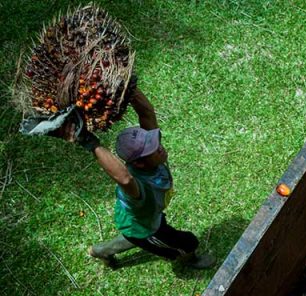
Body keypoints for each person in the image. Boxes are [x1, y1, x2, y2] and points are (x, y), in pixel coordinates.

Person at [67, 88, 214, 269]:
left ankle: (100, 250)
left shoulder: (147, 156)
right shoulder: (137, 186)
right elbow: (124, 180)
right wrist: (90, 143)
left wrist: (129, 87)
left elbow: (147, 113)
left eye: (153, 141)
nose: (159, 147)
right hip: (144, 227)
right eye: (152, 149)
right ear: (139, 164)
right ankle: (190, 259)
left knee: (136, 234)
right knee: (185, 243)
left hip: (144, 219)